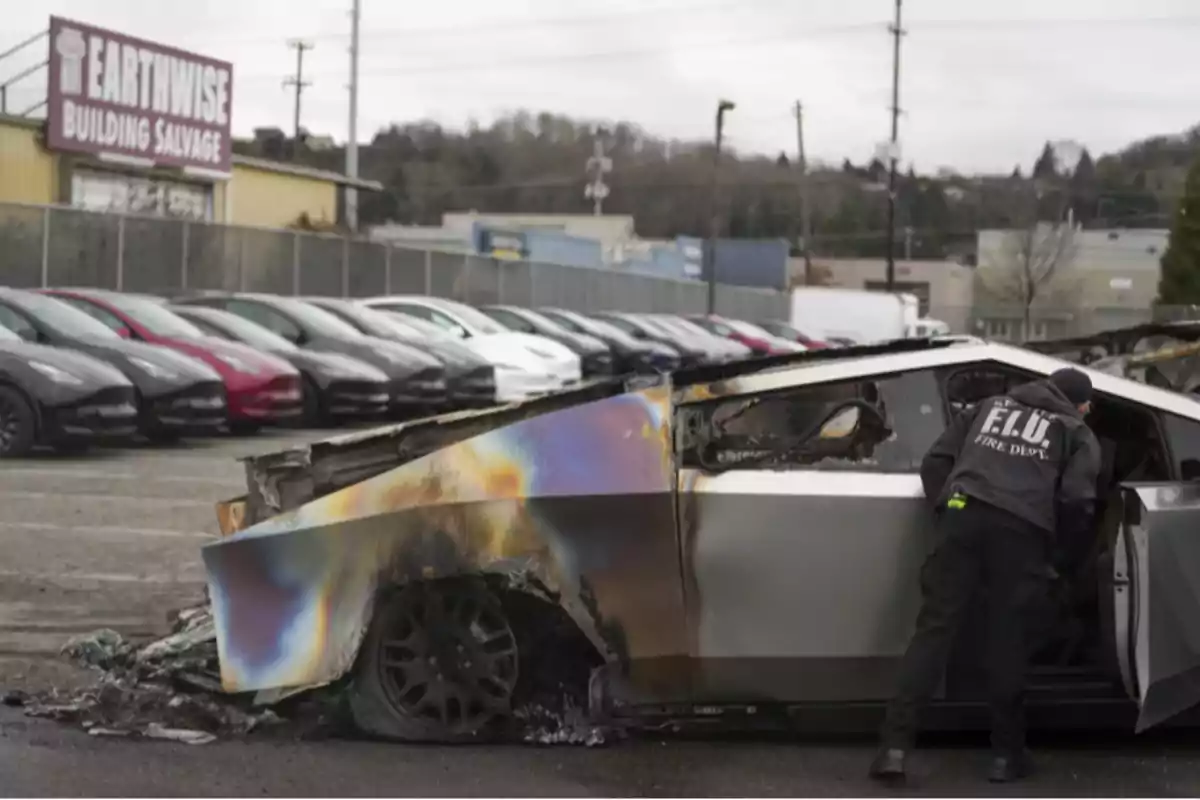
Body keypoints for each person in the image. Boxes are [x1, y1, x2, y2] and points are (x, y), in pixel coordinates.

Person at [869, 367, 1101, 785]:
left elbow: (936, 462)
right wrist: (1059, 554)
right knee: (1007, 638)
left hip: (962, 514)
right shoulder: (1076, 431)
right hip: (1022, 532)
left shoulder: (986, 408)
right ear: (1080, 404)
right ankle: (1005, 756)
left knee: (934, 631)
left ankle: (894, 749)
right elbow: (1079, 499)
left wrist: (949, 511)